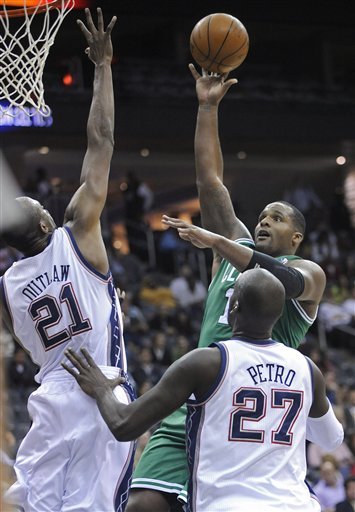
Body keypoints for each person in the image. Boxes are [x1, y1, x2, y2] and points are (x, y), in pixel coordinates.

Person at [128, 64, 327, 511]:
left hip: (248, 404)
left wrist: (218, 242)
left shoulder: (309, 271)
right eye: (261, 216)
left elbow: (286, 280)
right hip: (199, 388)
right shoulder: (232, 248)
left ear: (295, 237)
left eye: (276, 218)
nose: (263, 221)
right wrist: (206, 107)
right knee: (143, 504)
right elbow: (210, 181)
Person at [63, 268, 344, 512]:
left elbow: (124, 424)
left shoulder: (207, 362)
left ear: (232, 308)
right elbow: (331, 439)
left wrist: (100, 389)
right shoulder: (307, 368)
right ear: (279, 314)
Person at [0, 9, 135, 512]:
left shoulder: (8, 287)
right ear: (41, 225)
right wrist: (102, 66)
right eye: (38, 204)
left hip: (50, 400)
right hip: (100, 387)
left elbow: (20, 342)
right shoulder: (77, 231)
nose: (44, 203)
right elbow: (102, 140)